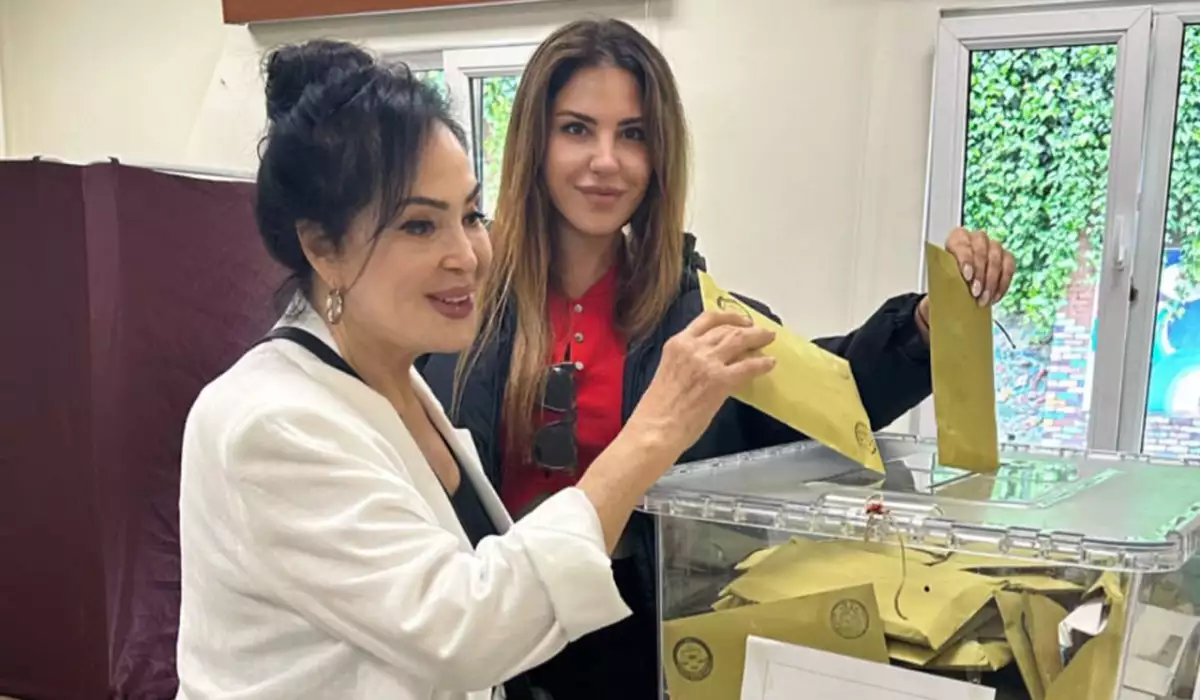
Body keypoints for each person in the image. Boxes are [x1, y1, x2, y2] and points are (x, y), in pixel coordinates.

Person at [418, 18, 1017, 699]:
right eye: (577, 128)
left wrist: (928, 325)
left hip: (644, 653)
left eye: (633, 134)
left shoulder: (698, 317)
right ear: (536, 141)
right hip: (489, 648)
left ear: (660, 155)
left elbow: (835, 392)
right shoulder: (459, 310)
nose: (606, 160)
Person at [174, 39, 778, 700]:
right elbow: (466, 632)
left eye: (469, 215)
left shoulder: (396, 384)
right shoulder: (271, 422)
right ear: (322, 247)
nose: (466, 255)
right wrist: (653, 434)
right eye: (418, 226)